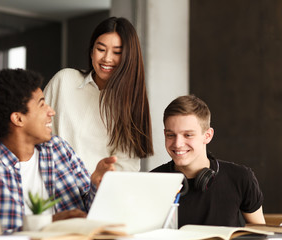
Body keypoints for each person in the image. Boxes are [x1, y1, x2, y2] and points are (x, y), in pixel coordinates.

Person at [0, 68, 115, 233]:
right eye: (42, 104)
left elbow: (89, 211)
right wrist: (47, 225)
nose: (52, 111)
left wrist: (96, 185)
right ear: (18, 118)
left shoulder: (59, 149)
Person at [44, 17, 153, 173]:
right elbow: (33, 129)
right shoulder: (64, 80)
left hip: (96, 193)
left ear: (129, 58)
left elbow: (125, 168)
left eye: (117, 52)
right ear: (91, 51)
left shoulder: (130, 105)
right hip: (49, 187)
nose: (107, 58)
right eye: (101, 49)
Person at [151, 95, 265, 227]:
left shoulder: (241, 178)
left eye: (188, 135)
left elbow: (260, 233)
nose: (178, 144)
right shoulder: (151, 182)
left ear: (207, 136)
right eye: (171, 135)